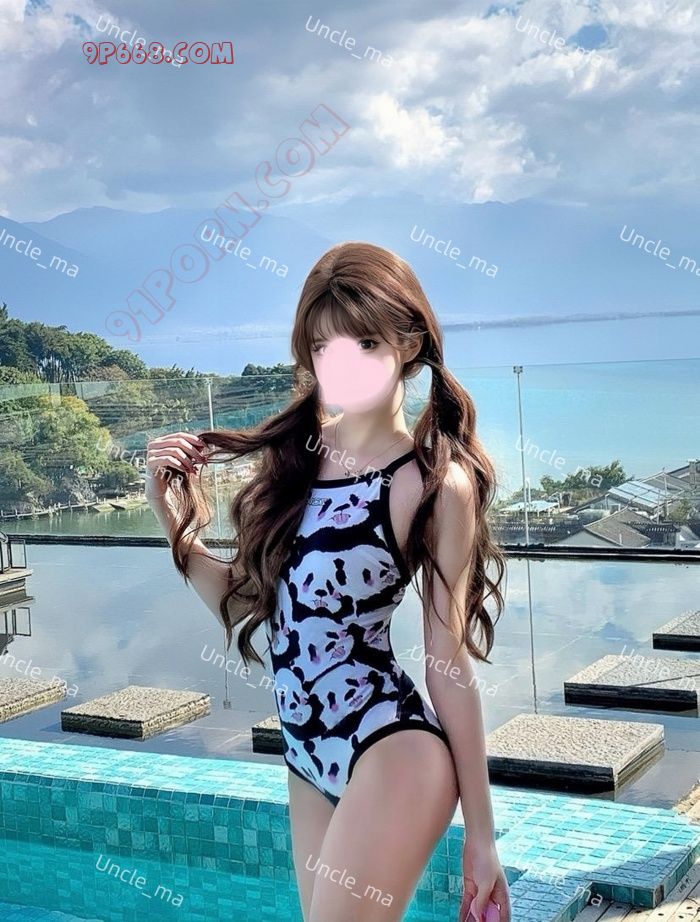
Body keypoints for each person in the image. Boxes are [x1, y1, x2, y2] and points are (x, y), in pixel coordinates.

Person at [145, 242, 510, 922]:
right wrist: (174, 526)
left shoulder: (429, 483)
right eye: (322, 347)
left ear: (408, 344)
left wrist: (481, 836)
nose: (340, 364)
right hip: (306, 754)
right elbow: (248, 602)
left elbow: (447, 661)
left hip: (393, 750)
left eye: (364, 342)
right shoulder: (296, 461)